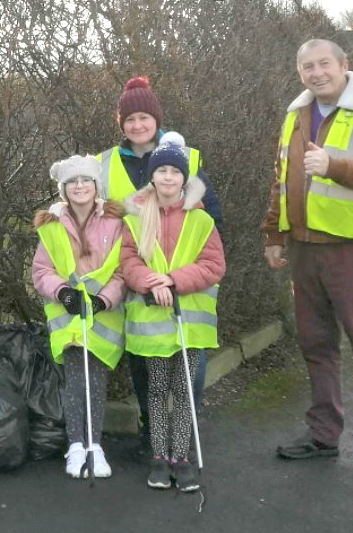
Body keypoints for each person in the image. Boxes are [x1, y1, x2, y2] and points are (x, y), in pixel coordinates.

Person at [262, 39, 353, 483]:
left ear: (344, 65)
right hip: (305, 249)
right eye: (307, 66)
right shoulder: (295, 115)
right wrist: (274, 233)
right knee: (317, 347)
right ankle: (323, 436)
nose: (316, 72)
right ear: (299, 71)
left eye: (324, 63)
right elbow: (282, 180)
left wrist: (334, 166)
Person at [96, 76, 223, 446]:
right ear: (121, 124)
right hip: (133, 277)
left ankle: (184, 436)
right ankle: (154, 433)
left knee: (189, 364)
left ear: (156, 119)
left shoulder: (187, 157)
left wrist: (184, 275)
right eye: (129, 119)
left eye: (144, 118)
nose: (137, 125)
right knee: (143, 359)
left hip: (185, 282)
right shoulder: (104, 163)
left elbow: (212, 219)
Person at [120, 134, 225, 492]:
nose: (167, 177)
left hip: (189, 323)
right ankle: (158, 456)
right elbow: (127, 261)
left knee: (184, 391)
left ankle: (181, 457)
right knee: (155, 389)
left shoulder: (201, 220)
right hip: (151, 323)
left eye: (174, 172)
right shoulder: (136, 218)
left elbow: (213, 265)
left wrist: (173, 279)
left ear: (184, 178)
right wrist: (152, 282)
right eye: (161, 171)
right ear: (152, 176)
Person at [31, 155, 127, 479]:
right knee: (75, 380)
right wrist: (63, 292)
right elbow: (42, 270)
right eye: (72, 181)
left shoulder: (115, 222)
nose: (80, 186)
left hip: (103, 315)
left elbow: (122, 269)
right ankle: (75, 447)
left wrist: (103, 300)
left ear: (95, 185)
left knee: (95, 380)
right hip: (67, 314)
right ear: (64, 189)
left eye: (85, 180)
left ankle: (94, 446)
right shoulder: (51, 224)